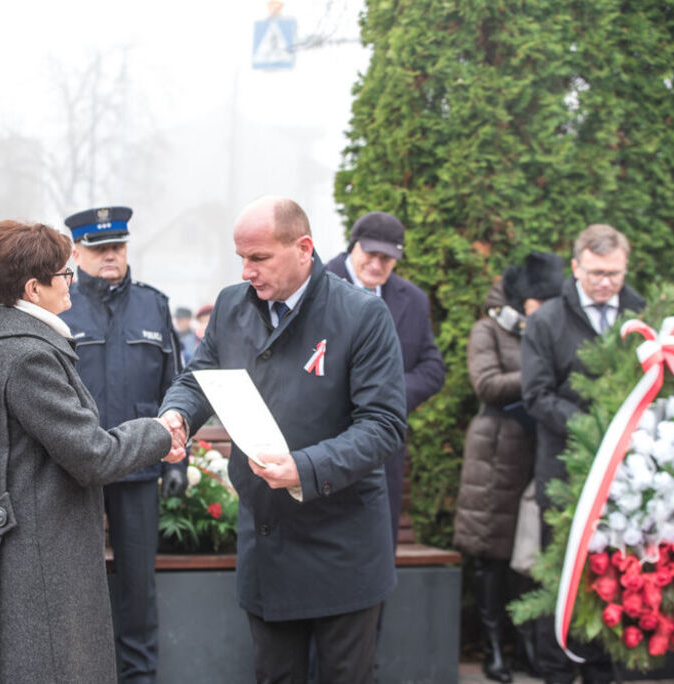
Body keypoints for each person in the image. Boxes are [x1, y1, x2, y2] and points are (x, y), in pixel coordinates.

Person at [159, 196, 407, 683]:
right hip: (268, 540)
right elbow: (199, 375)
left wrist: (306, 468)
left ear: (304, 248)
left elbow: (383, 425)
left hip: (342, 543)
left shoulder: (362, 316)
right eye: (241, 259)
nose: (247, 271)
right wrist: (177, 415)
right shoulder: (231, 305)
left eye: (259, 257)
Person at [0, 219, 184, 683]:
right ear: (34, 288)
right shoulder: (27, 354)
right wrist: (158, 432)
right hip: (36, 558)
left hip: (20, 545)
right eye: (62, 274)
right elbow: (92, 454)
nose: (71, 280)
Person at [57, 206, 187, 683]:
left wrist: (178, 458)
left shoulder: (153, 305)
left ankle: (140, 678)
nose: (110, 255)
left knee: (138, 588)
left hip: (139, 466)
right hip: (78, 468)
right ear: (76, 252)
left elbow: (174, 386)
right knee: (77, 585)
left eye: (117, 246)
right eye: (98, 248)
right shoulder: (62, 305)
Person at [522, 224, 645, 684]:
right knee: (564, 580)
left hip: (625, 478)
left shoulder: (639, 314)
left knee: (614, 577)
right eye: (595, 273)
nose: (605, 283)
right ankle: (554, 671)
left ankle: (603, 671)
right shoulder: (547, 320)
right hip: (565, 473)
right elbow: (536, 396)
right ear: (575, 267)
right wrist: (597, 431)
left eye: (613, 273)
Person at [452, 250, 564, 682]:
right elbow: (486, 383)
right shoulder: (488, 328)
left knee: (529, 554)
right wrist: (538, 375)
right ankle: (494, 649)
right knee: (491, 556)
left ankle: (529, 647)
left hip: (538, 450)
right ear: (525, 299)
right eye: (543, 302)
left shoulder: (548, 325)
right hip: (497, 452)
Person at [324, 210, 445, 548]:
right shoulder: (316, 287)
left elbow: (432, 368)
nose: (378, 265)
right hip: (324, 445)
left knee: (378, 551)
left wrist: (383, 398)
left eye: (388, 258)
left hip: (382, 452)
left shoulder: (413, 300)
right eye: (371, 254)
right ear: (352, 247)